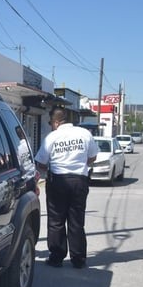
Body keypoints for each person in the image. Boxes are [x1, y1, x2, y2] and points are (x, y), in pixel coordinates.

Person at [34, 108, 98, 269]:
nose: (51, 126)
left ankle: (56, 257)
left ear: (56, 122)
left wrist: (49, 168)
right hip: (79, 180)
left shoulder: (52, 137)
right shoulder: (84, 134)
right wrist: (81, 165)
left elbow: (40, 162)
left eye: (50, 123)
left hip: (58, 181)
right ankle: (78, 259)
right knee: (77, 221)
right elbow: (93, 157)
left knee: (56, 221)